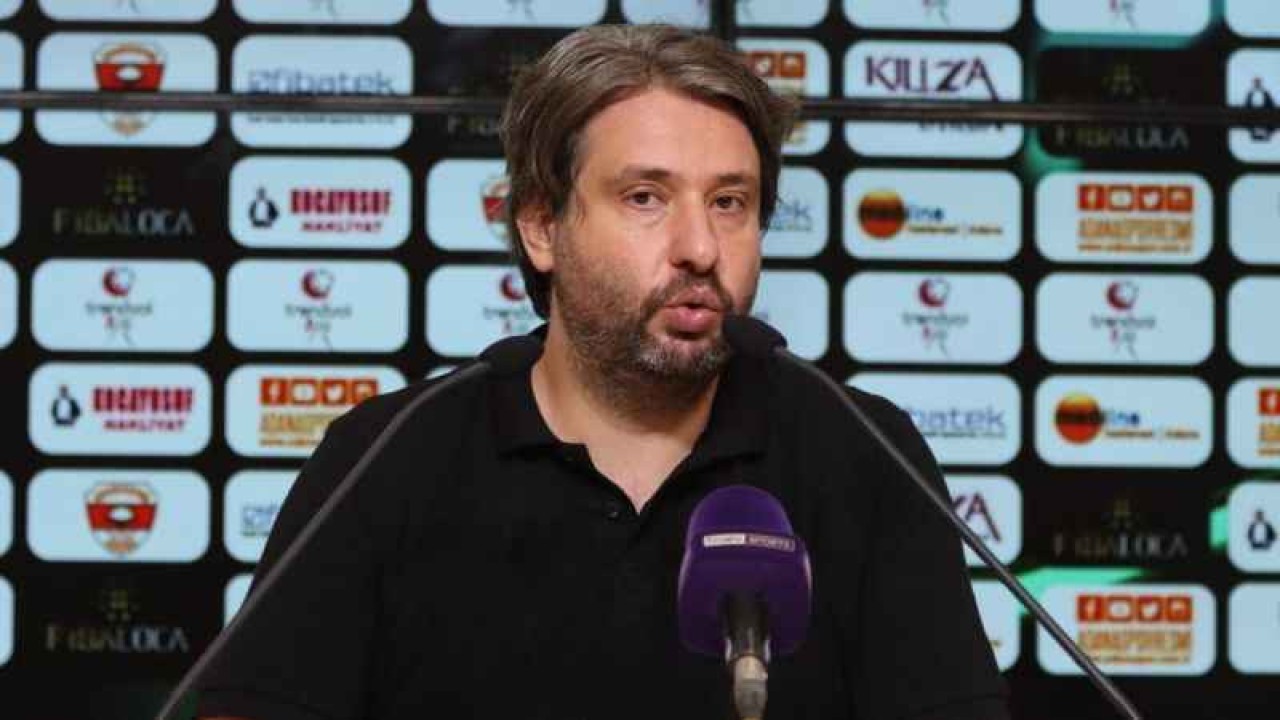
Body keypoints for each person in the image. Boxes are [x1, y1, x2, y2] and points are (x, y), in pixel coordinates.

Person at [195, 24, 1009, 720]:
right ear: (541, 226)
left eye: (730, 202)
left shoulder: (865, 453)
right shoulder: (386, 455)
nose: (700, 248)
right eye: (646, 197)